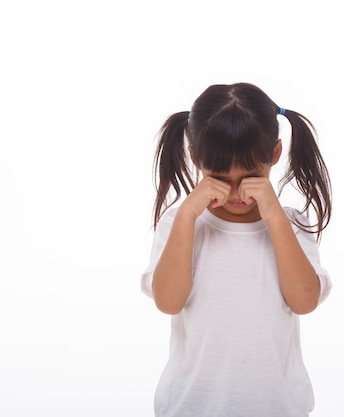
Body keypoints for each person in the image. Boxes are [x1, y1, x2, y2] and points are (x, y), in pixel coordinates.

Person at [140, 82, 332, 417]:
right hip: (191, 407)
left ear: (274, 154)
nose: (236, 192)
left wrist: (274, 217)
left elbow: (304, 301)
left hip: (277, 408)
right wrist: (187, 213)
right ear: (195, 158)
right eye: (219, 178)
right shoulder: (180, 225)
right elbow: (169, 302)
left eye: (251, 176)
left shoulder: (291, 225)